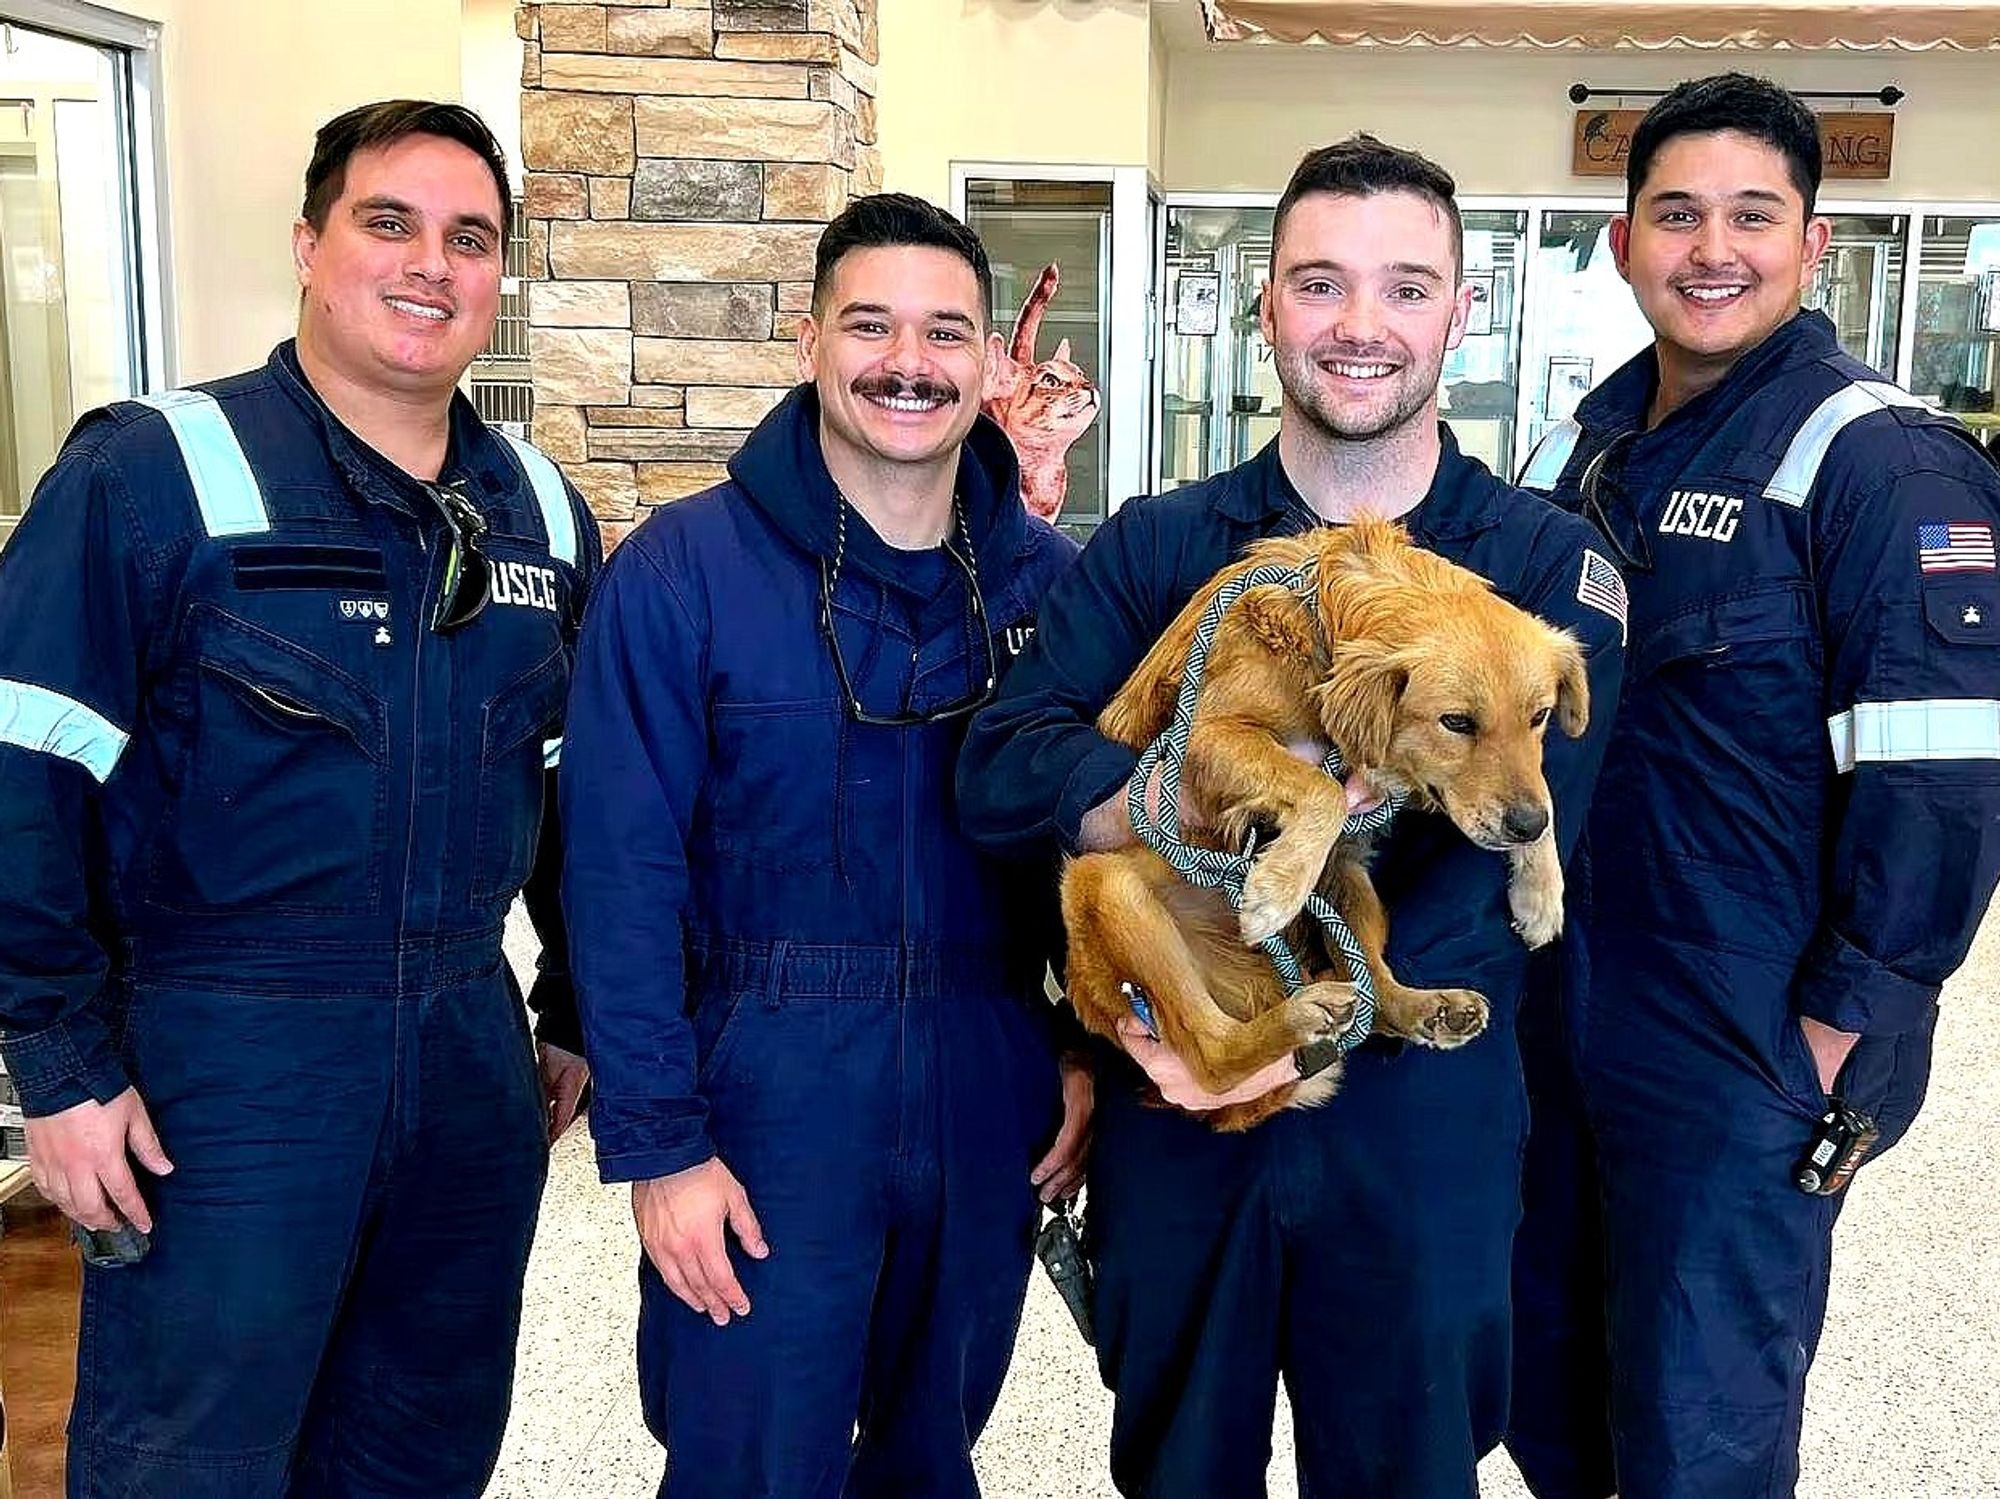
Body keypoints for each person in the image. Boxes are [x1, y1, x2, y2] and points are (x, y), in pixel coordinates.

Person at [957, 136, 1624, 1498]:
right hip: (1180, 1097)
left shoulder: (1548, 570)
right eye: (1320, 284)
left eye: (1406, 287)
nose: (1360, 324)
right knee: (1181, 1468)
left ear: (1461, 312)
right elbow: (1003, 767)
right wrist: (1172, 811)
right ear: (1266, 308)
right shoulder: (1158, 546)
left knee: (1409, 1469)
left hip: (1420, 1117)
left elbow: (1536, 841)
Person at [0, 100, 601, 1497]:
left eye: (470, 239)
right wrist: (63, 1070)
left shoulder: (538, 509)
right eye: (389, 223)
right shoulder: (151, 473)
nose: (430, 265)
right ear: (308, 245)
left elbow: (580, 789)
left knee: (421, 1445)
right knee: (192, 1455)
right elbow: (23, 773)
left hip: (465, 1048)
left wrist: (574, 1003)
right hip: (226, 1059)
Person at [1505, 73, 2000, 1499]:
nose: (1711, 249)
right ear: (1622, 243)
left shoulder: (1883, 463)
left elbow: (1945, 781)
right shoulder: (1581, 448)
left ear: (1812, 243)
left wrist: (1848, 1024)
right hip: (1562, 1004)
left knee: (1698, 1422)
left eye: (1752, 215)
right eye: (1676, 215)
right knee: (1553, 1389)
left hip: (1747, 1034)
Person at [559, 192, 1092, 1499]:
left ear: (988, 360)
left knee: (932, 1455)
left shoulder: (1050, 587)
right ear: (809, 341)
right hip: (766, 1092)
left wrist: (1083, 1053)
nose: (909, 362)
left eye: (945, 332)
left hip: (985, 1082)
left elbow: (1098, 861)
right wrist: (660, 1146)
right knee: (750, 1462)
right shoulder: (682, 573)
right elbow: (618, 879)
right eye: (870, 325)